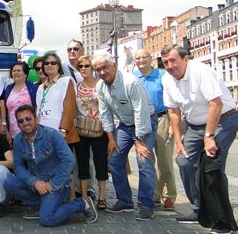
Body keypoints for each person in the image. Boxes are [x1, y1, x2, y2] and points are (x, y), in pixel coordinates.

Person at [160, 44, 238, 230]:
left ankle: (221, 219)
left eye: (173, 60)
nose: (170, 66)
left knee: (211, 168)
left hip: (223, 121)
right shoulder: (167, 79)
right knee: (184, 161)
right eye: (165, 62)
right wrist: (178, 142)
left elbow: (216, 104)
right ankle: (199, 209)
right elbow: (173, 111)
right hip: (195, 126)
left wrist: (209, 137)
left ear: (185, 58)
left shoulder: (201, 72)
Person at [3, 105, 98, 226]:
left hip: (58, 183)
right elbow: (18, 166)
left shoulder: (52, 134)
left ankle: (83, 204)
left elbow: (69, 160)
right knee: (9, 183)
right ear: (17, 124)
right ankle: (43, 206)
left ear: (36, 118)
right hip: (37, 182)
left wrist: (53, 184)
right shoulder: (18, 140)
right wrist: (34, 182)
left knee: (47, 220)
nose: (25, 123)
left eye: (28, 118)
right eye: (20, 121)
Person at [93, 52, 157, 220]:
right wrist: (111, 140)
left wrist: (140, 141)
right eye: (98, 69)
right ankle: (125, 200)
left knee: (144, 163)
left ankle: (146, 204)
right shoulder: (100, 86)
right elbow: (105, 113)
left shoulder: (131, 82)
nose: (101, 72)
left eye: (105, 68)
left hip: (144, 123)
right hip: (124, 124)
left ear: (114, 66)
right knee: (114, 161)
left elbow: (140, 112)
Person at [133, 48, 176, 210]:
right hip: (143, 121)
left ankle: (169, 195)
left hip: (162, 118)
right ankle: (153, 194)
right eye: (138, 58)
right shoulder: (132, 78)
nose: (141, 60)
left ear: (151, 58)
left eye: (144, 57)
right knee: (147, 161)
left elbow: (173, 102)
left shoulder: (163, 76)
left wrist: (173, 124)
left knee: (164, 160)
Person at [73, 55, 110, 210]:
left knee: (101, 163)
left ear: (92, 68)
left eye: (86, 66)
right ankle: (84, 196)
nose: (83, 69)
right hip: (81, 130)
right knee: (82, 163)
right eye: (80, 66)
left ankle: (102, 197)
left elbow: (108, 108)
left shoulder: (101, 85)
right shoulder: (77, 86)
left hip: (99, 130)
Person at [36, 52, 79, 144]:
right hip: (43, 131)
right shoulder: (41, 87)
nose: (49, 65)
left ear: (58, 66)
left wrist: (63, 129)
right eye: (46, 63)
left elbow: (69, 108)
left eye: (53, 63)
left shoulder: (66, 82)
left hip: (60, 133)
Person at [0, 61, 38, 142]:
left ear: (25, 74)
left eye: (19, 70)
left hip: (30, 129)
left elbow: (37, 108)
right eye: (14, 71)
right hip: (13, 131)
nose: (16, 73)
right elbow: (2, 107)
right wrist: (5, 127)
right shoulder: (8, 89)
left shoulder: (34, 88)